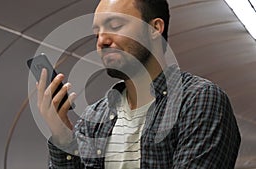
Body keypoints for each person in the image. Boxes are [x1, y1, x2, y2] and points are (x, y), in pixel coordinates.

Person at [36, 0, 241, 168]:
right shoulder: (93, 118)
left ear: (155, 28)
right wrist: (62, 134)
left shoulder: (198, 100)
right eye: (96, 33)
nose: (102, 41)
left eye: (115, 26)